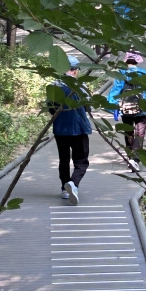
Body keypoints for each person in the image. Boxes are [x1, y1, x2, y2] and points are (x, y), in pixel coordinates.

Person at [48, 56, 92, 205]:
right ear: (75, 70)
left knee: (64, 159)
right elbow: (88, 106)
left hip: (60, 130)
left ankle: (64, 189)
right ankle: (73, 183)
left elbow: (51, 109)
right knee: (82, 161)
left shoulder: (54, 86)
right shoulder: (80, 86)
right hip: (79, 129)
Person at [106, 52, 146, 170]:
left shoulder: (121, 74)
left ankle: (130, 157)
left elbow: (115, 91)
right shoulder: (144, 73)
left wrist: (113, 107)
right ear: (138, 61)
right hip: (142, 109)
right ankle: (135, 159)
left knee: (128, 132)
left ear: (125, 61)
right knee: (140, 134)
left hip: (126, 109)